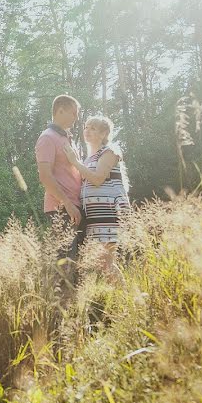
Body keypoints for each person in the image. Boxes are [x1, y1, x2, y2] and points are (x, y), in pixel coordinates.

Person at [62, 115, 131, 278]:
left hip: (109, 212)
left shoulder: (110, 151)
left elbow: (98, 179)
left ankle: (125, 296)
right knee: (102, 262)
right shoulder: (89, 158)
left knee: (106, 262)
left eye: (93, 128)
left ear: (104, 133)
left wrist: (74, 162)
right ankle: (116, 297)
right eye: (86, 127)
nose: (87, 130)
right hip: (95, 215)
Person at [35, 95, 84, 256]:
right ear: (60, 110)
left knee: (77, 264)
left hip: (74, 206)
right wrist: (67, 204)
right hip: (61, 209)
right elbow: (45, 177)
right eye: (73, 113)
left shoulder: (67, 138)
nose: (76, 117)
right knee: (66, 263)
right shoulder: (47, 137)